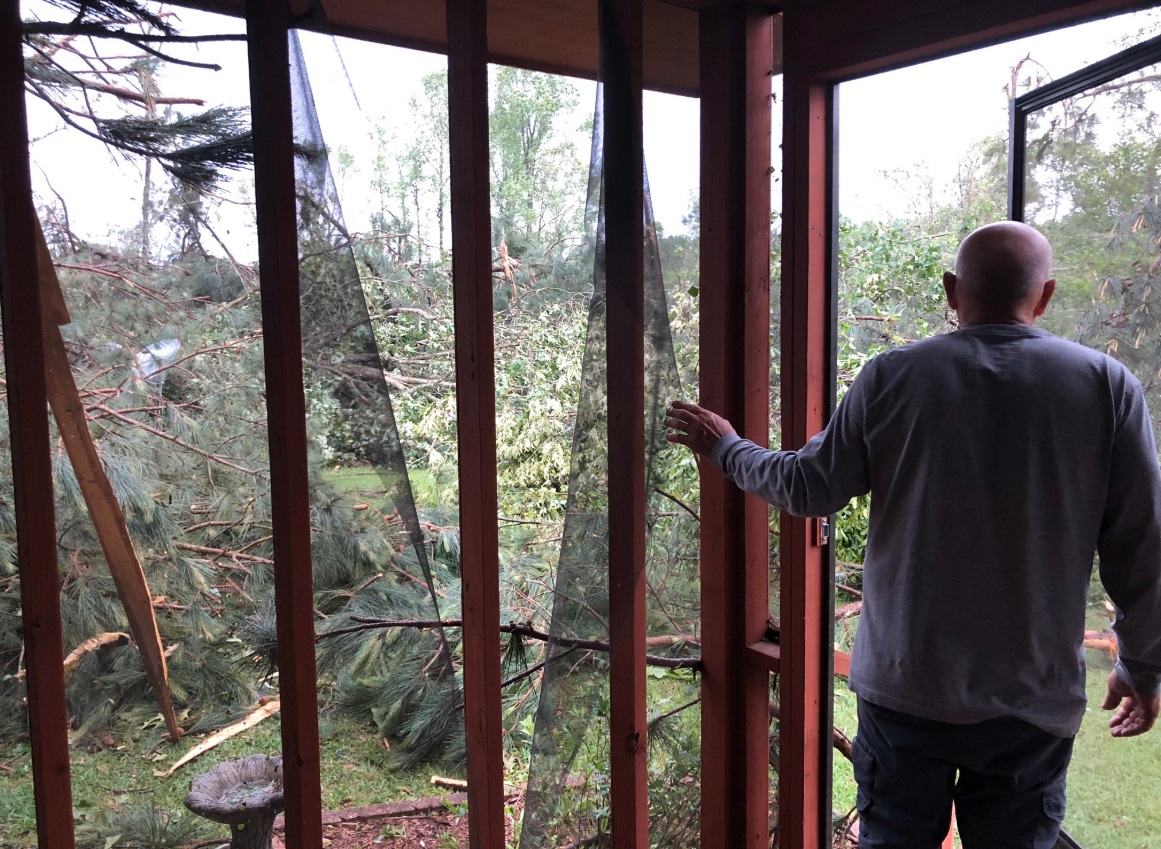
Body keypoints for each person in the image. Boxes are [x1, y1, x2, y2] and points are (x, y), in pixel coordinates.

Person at [665, 221, 1161, 849]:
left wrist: (728, 448)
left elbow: (808, 487)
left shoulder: (894, 376)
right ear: (1045, 297)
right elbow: (1143, 547)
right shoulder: (1106, 387)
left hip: (904, 692)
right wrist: (1143, 664)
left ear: (952, 291)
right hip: (1031, 704)